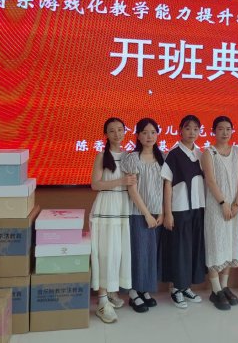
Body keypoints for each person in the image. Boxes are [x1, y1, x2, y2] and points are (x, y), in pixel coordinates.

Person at [90, 117, 135, 323]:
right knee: (105, 253)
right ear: (106, 134)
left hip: (123, 208)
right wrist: (121, 181)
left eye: (120, 130)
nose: (117, 134)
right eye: (112, 130)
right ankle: (101, 301)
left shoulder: (128, 156)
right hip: (106, 208)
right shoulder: (102, 156)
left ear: (125, 132)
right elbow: (95, 184)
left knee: (117, 252)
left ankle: (110, 292)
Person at [161, 114, 206, 309]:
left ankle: (186, 286)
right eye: (188, 128)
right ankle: (175, 289)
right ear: (180, 130)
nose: (192, 132)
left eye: (196, 129)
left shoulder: (201, 154)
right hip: (179, 209)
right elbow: (167, 184)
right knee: (179, 250)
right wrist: (168, 212)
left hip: (198, 208)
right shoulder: (174, 154)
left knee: (193, 248)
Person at [121, 118, 165, 313]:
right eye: (145, 132)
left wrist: (162, 211)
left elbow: (164, 187)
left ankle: (143, 289)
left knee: (150, 253)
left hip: (157, 213)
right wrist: (146, 214)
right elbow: (132, 189)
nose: (149, 136)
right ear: (138, 136)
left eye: (153, 132)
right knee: (138, 253)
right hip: (138, 213)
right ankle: (133, 292)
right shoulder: (133, 158)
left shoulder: (162, 157)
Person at [201, 116, 238, 311]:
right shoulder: (208, 153)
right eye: (220, 129)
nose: (225, 132)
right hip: (216, 206)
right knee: (216, 244)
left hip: (235, 206)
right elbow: (210, 181)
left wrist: (237, 203)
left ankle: (225, 286)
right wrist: (223, 203)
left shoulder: (237, 152)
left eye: (228, 129)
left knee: (230, 244)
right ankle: (215, 289)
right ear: (214, 131)